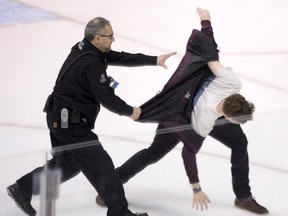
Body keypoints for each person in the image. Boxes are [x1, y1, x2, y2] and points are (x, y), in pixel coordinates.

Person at [95, 8, 269, 215]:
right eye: (236, 120)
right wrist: (196, 188)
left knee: (239, 142)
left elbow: (210, 54)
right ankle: (110, 188)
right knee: (153, 153)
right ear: (230, 116)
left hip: (211, 114)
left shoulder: (231, 84)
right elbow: (189, 152)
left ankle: (243, 196)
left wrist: (206, 23)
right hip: (180, 116)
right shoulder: (204, 120)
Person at [6, 17, 176, 216]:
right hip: (70, 123)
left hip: (60, 117)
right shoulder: (91, 64)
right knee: (102, 166)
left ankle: (22, 189)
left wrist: (153, 60)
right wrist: (132, 111)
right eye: (110, 36)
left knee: (67, 165)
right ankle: (120, 213)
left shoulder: (85, 48)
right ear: (97, 38)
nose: (113, 39)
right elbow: (106, 98)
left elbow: (117, 57)